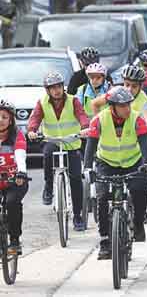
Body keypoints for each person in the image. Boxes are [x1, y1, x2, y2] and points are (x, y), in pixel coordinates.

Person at [84, 87, 147, 260]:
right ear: (112, 106)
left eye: (128, 105)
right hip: (106, 163)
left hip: (133, 162)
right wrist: (88, 169)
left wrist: (146, 164)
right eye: (122, 106)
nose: (127, 109)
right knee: (102, 197)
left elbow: (145, 145)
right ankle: (105, 241)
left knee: (140, 188)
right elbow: (90, 146)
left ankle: (137, 224)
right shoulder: (99, 120)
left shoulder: (137, 119)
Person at [27, 72, 90, 232]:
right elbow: (35, 118)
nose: (56, 90)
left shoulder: (73, 100)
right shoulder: (42, 103)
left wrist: (85, 128)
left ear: (63, 87)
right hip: (52, 141)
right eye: (52, 88)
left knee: (75, 179)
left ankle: (77, 216)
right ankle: (48, 187)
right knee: (47, 154)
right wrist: (32, 130)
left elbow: (82, 116)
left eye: (59, 86)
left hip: (71, 143)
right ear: (47, 90)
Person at [0, 99, 29, 255]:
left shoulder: (16, 135)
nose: (0, 120)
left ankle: (15, 241)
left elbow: (20, 153)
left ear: (11, 120)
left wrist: (21, 172)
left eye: (4, 117)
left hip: (14, 180)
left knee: (12, 203)